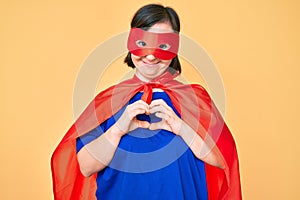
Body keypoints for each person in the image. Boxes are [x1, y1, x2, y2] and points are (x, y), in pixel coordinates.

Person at [51, 4, 242, 200]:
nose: (151, 55)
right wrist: (118, 129)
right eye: (143, 43)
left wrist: (182, 128)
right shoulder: (108, 102)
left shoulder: (194, 100)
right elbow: (86, 166)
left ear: (175, 48)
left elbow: (223, 160)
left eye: (163, 46)